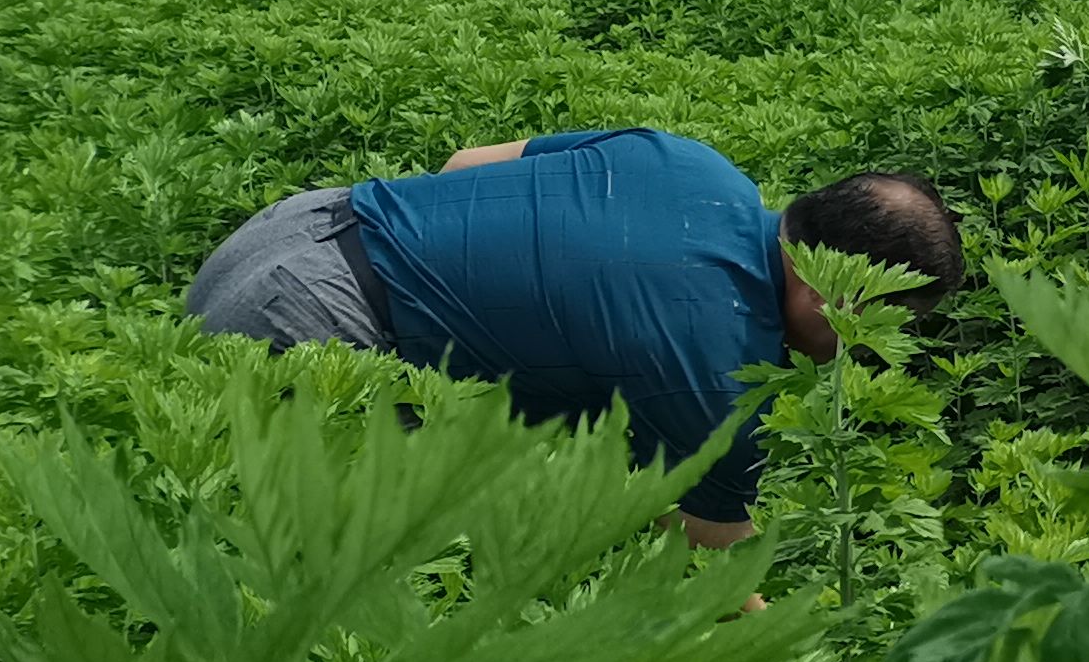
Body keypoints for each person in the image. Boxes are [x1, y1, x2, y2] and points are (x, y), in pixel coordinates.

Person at [182, 133, 966, 543]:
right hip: (304, 330)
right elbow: (707, 544)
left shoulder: (693, 165)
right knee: (387, 562)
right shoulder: (721, 367)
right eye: (881, 325)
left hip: (285, 231)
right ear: (831, 294)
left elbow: (462, 164)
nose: (869, 350)